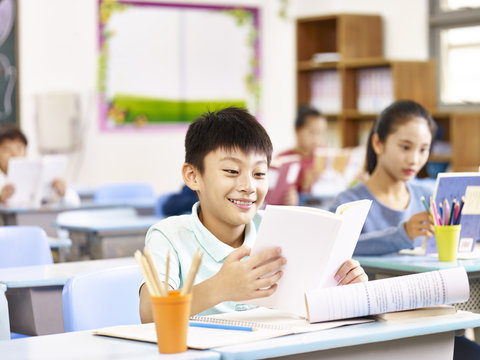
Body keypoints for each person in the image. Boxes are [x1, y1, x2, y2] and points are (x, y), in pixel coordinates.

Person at [139, 107, 367, 321]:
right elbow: (150, 314)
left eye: (259, 173)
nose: (248, 186)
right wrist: (221, 287)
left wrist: (343, 290)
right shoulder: (168, 236)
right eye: (231, 171)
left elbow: (305, 311)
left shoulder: (280, 229)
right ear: (193, 176)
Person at [329, 100, 436, 256]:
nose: (414, 160)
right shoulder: (348, 204)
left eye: (423, 149)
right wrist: (403, 234)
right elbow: (335, 249)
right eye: (405, 147)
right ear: (378, 143)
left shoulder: (429, 197)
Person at [0, 124, 80, 206]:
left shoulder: (39, 175)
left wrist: (63, 193)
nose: (14, 154)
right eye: (7, 150)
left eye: (19, 148)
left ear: (26, 152)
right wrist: (1, 199)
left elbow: (75, 203)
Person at [277, 105, 328, 197]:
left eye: (321, 133)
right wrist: (305, 186)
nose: (316, 138)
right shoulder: (283, 159)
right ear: (297, 130)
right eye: (312, 132)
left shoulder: (326, 156)